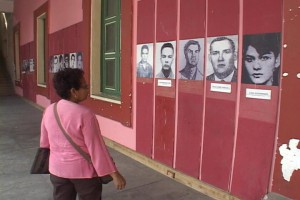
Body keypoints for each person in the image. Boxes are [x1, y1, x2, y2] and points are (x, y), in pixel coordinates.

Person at [40, 68, 126, 200]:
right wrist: (114, 174)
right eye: (85, 86)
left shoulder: (49, 110)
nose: (88, 89)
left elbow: (45, 143)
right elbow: (97, 149)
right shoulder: (85, 114)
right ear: (74, 91)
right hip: (84, 173)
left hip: (57, 171)